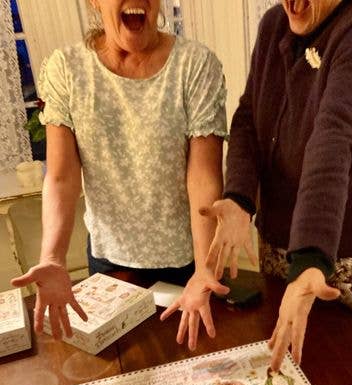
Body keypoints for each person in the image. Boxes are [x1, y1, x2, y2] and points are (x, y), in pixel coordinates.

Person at [201, 0, 352, 371]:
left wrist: (310, 257)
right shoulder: (273, 24)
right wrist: (239, 198)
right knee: (296, 379)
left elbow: (333, 140)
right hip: (285, 256)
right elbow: (249, 117)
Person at [11, 0, 230, 351]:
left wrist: (205, 267)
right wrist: (52, 256)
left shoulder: (195, 65)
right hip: (110, 265)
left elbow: (203, 176)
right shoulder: (67, 69)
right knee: (125, 368)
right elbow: (62, 177)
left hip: (187, 264)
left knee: (189, 361)